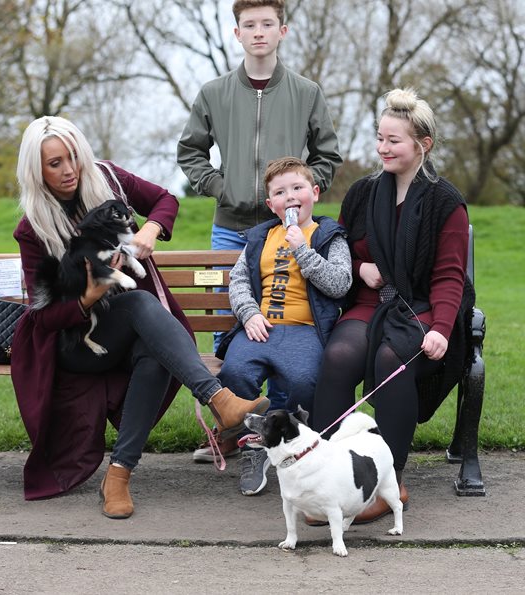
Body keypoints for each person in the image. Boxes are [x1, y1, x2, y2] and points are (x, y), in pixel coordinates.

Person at [11, 115, 269, 520]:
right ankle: (221, 401)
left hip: (130, 329)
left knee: (153, 349)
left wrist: (150, 229)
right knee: (140, 306)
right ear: (36, 170)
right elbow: (43, 318)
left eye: (73, 157)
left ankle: (119, 474)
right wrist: (86, 297)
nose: (69, 170)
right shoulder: (34, 228)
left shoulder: (108, 180)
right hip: (77, 341)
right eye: (54, 163)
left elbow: (167, 200)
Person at [177, 0, 343, 462]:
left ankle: (282, 437)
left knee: (289, 325)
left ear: (282, 30)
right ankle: (231, 432)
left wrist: (300, 196)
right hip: (231, 230)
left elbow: (327, 156)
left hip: (288, 230)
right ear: (237, 33)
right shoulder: (213, 92)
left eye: (267, 24)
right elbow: (190, 152)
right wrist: (220, 187)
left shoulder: (307, 92)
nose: (258, 32)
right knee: (232, 329)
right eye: (249, 25)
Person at [311, 88, 475, 524]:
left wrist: (440, 327)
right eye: (379, 138)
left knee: (391, 357)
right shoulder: (363, 192)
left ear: (424, 145)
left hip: (422, 308)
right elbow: (341, 249)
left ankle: (389, 480)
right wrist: (362, 268)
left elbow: (448, 276)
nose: (383, 147)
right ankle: (324, 474)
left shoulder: (446, 203)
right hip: (369, 301)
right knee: (340, 355)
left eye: (394, 140)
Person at [216, 157, 351, 495]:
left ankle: (295, 447)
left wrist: (303, 251)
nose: (290, 196)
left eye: (297, 188)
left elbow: (340, 283)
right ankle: (253, 448)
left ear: (314, 193)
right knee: (234, 373)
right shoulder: (261, 237)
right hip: (260, 327)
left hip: (304, 330)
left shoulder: (328, 235)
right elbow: (238, 281)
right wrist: (249, 313)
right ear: (271, 204)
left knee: (305, 382)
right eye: (280, 192)